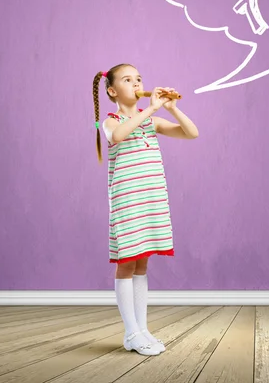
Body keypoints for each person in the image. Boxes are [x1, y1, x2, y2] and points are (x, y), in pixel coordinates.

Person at [92, 63, 199, 356]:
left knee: (142, 263)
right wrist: (151, 110)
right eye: (128, 80)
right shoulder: (111, 120)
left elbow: (192, 133)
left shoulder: (151, 123)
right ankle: (131, 331)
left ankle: (141, 329)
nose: (136, 83)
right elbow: (117, 136)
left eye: (139, 79)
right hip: (128, 203)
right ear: (113, 91)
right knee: (126, 263)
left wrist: (172, 108)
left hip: (150, 201)